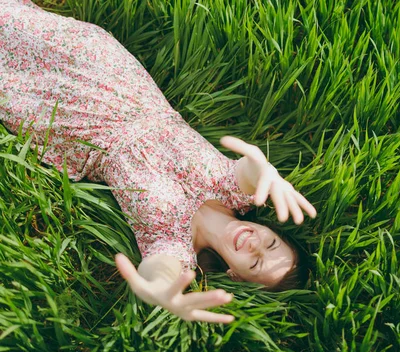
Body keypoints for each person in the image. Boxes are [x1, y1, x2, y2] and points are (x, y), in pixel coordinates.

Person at [0, 0, 317, 324]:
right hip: (109, 73)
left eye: (255, 263)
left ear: (235, 275)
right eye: (271, 242)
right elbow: (248, 173)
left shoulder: (176, 244)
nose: (255, 245)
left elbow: (160, 269)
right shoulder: (233, 190)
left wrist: (159, 289)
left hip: (66, 117)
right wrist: (267, 170)